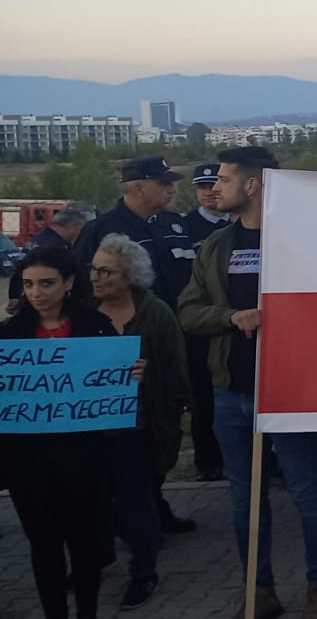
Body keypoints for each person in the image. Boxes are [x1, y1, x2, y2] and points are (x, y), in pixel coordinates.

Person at [177, 146, 317, 619]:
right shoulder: (216, 246)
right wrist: (230, 316)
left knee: (308, 491)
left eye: (224, 180)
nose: (214, 189)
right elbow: (188, 310)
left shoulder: (302, 241)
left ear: (252, 185)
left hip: (289, 391)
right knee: (245, 498)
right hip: (232, 391)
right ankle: (259, 591)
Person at [1, 247, 134, 619]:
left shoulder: (96, 327)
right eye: (28, 284)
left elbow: (113, 383)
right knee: (43, 546)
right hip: (27, 464)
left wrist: (131, 374)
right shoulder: (9, 335)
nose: (36, 293)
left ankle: (87, 612)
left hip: (84, 459)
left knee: (85, 546)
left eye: (46, 283)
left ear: (69, 283)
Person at [90, 234, 190, 610]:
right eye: (93, 269)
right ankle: (95, 559)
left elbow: (175, 370)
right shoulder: (83, 310)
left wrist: (160, 395)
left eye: (107, 272)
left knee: (137, 501)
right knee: (92, 499)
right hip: (90, 427)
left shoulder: (156, 313)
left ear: (130, 276)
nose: (96, 277)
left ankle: (143, 571)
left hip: (137, 426)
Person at [73, 155, 197, 311]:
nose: (172, 190)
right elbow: (81, 286)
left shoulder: (175, 224)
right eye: (164, 183)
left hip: (182, 320)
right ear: (139, 188)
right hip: (130, 321)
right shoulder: (100, 230)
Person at [181, 163, 228, 481]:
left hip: (233, 324)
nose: (210, 193)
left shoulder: (240, 224)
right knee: (203, 396)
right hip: (200, 323)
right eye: (202, 187)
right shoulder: (183, 227)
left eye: (214, 186)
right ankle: (207, 460)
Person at [183, 163, 230, 242]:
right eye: (202, 187)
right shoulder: (185, 224)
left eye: (213, 186)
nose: (208, 193)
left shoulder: (240, 220)